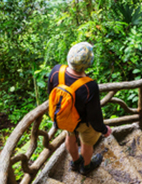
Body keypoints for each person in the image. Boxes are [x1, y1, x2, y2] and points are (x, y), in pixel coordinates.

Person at [48, 41, 111, 176]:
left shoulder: (56, 71)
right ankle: (86, 166)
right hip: (83, 122)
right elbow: (94, 115)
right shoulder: (89, 86)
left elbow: (51, 94)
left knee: (70, 136)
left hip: (66, 117)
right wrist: (104, 129)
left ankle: (76, 161)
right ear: (88, 64)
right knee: (87, 143)